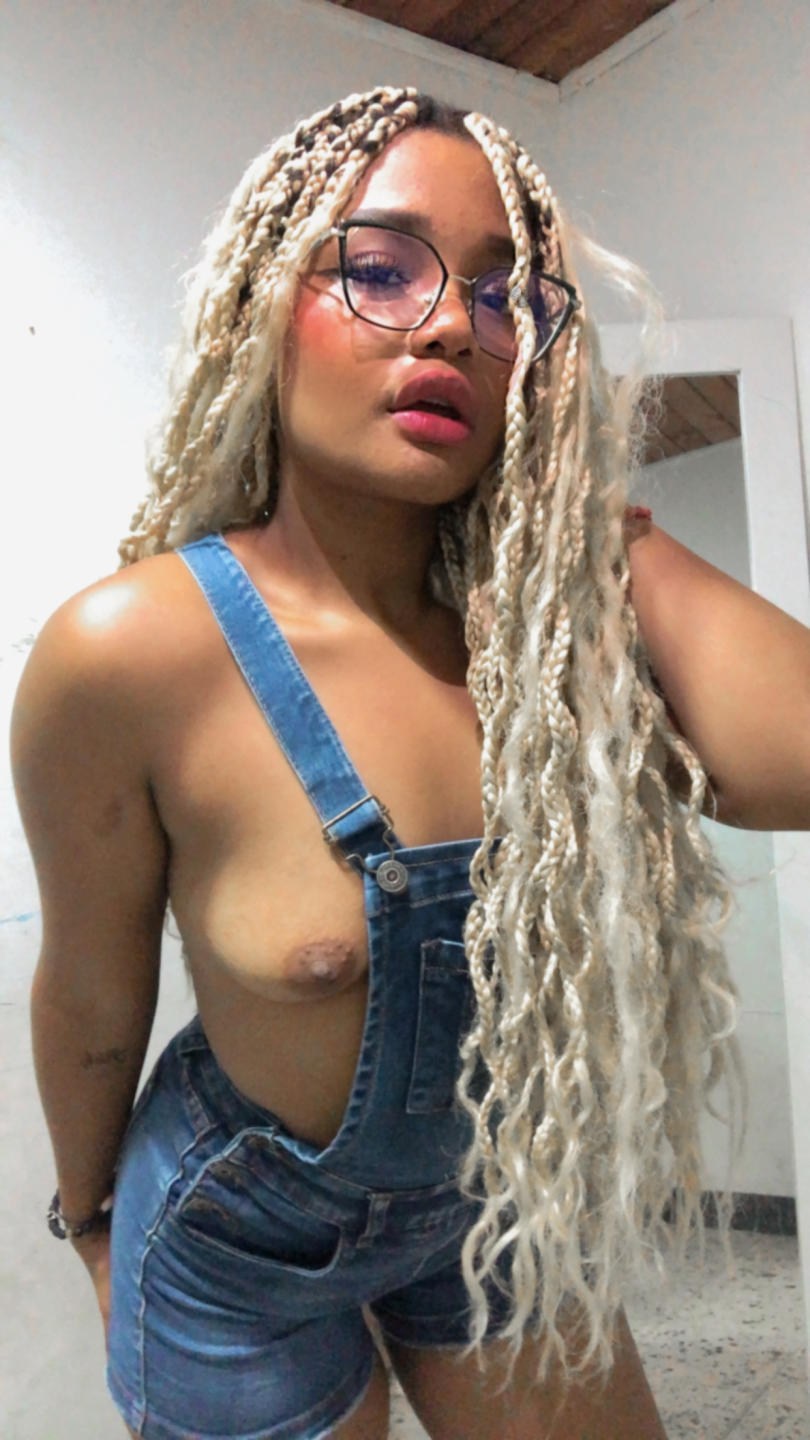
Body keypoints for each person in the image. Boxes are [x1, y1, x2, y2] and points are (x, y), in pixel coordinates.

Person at [10, 86, 810, 1440]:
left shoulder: (544, 642)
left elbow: (787, 759)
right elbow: (92, 986)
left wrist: (584, 517)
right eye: (379, 270)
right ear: (262, 308)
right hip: (239, 1237)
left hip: (489, 1199)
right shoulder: (131, 650)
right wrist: (87, 1222)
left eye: (503, 299)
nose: (447, 324)